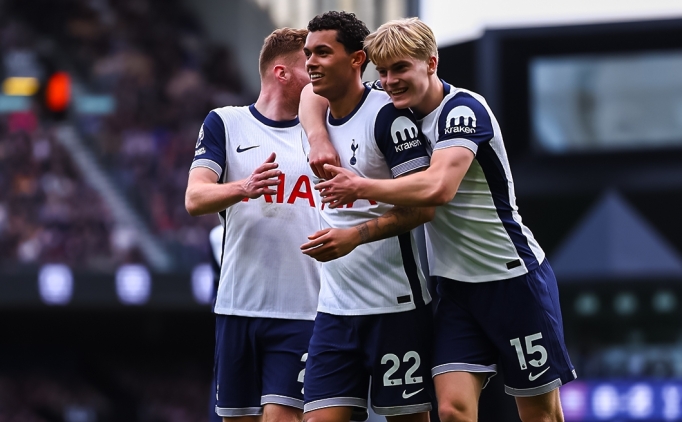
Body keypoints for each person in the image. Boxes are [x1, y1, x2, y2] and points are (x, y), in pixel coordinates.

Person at [301, 17, 576, 422]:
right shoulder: (396, 105)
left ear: (431, 63)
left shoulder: (462, 110)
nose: (390, 81)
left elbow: (438, 188)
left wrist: (360, 186)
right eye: (383, 72)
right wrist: (318, 137)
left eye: (400, 69)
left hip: (512, 279)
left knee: (540, 414)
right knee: (452, 409)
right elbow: (311, 93)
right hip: (454, 288)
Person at [298, 11, 435, 422]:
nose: (311, 63)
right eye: (308, 53)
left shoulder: (388, 117)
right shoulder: (316, 114)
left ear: (357, 59)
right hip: (334, 310)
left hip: (395, 306)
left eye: (323, 53)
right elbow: (307, 95)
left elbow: (422, 206)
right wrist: (317, 137)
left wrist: (355, 236)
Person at [185, 27, 320, 422]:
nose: (317, 73)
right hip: (237, 307)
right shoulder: (225, 123)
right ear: (282, 72)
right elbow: (195, 198)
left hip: (302, 310)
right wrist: (243, 187)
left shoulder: (323, 133)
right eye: (308, 65)